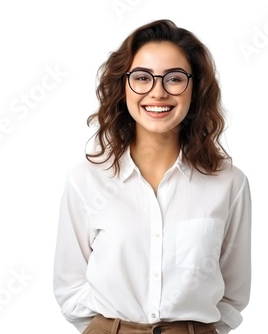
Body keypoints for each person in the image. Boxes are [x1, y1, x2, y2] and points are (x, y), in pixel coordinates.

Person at [53, 19, 252, 334]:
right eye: (142, 78)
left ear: (195, 88)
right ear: (123, 87)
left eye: (174, 79)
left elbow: (233, 293)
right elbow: (70, 286)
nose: (157, 92)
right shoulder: (86, 180)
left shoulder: (229, 183)